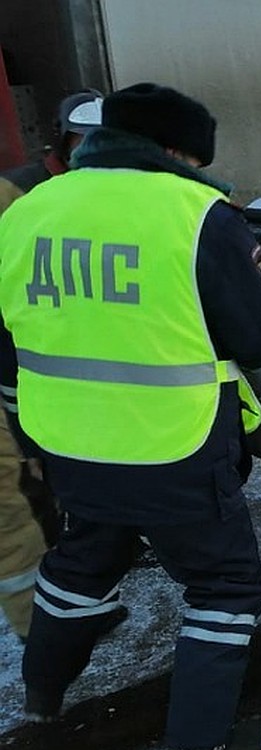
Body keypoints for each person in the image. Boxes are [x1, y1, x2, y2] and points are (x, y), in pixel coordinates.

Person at [0, 82, 261, 750]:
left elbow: (8, 339)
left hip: (68, 437)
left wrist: (21, 422)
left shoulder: (30, 210)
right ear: (171, 150)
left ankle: (43, 692)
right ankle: (199, 749)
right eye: (193, 157)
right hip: (175, 443)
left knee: (86, 554)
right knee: (226, 586)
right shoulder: (198, 216)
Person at [0, 90, 104, 643]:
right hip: (18, 379)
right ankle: (41, 628)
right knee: (19, 497)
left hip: (70, 383)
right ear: (61, 142)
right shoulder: (15, 195)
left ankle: (72, 600)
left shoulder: (108, 196)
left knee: (72, 486)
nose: (95, 152)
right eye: (83, 141)